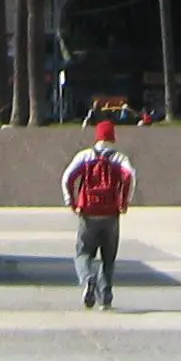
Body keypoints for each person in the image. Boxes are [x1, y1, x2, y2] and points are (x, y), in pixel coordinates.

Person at [60, 119, 136, 310]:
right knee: (108, 258)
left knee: (83, 252)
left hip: (88, 212)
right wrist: (124, 203)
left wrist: (72, 202)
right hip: (111, 214)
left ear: (97, 136)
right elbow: (130, 177)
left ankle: (87, 279)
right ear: (113, 137)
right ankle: (106, 297)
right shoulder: (119, 159)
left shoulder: (85, 156)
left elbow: (67, 177)